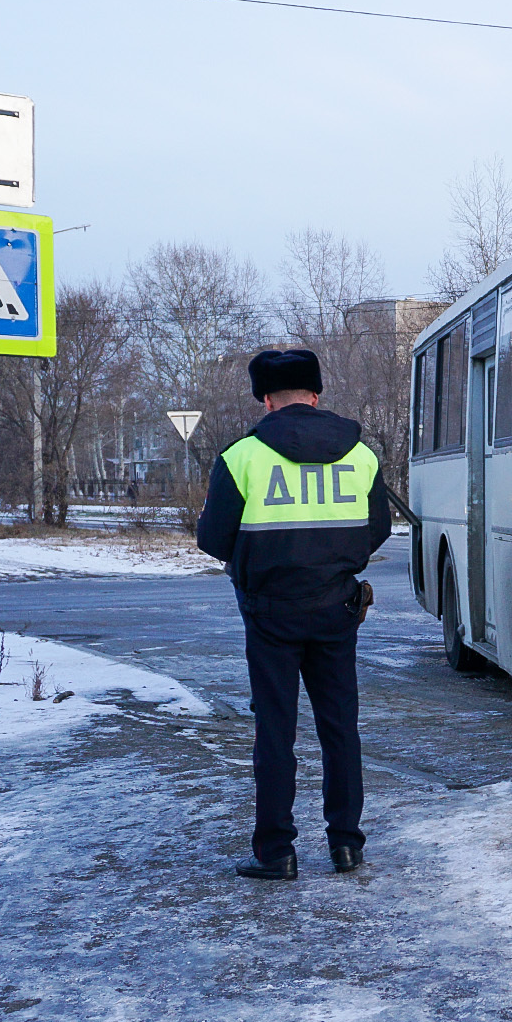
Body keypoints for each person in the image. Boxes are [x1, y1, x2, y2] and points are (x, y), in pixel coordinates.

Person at [196, 349, 392, 880]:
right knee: (340, 730)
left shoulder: (242, 457)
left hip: (270, 614)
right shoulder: (363, 455)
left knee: (276, 734)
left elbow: (212, 539)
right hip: (338, 610)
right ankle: (347, 845)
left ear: (265, 399)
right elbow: (378, 530)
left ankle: (277, 852)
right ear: (317, 394)